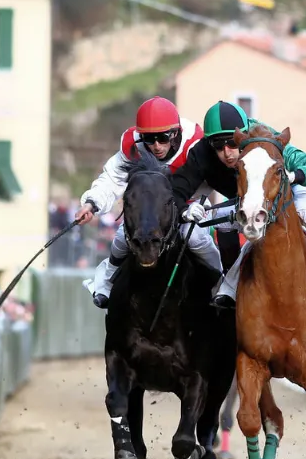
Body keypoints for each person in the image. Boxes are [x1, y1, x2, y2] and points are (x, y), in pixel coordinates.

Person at [169, 101, 306, 309]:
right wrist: (185, 209)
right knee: (220, 217)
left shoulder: (268, 141)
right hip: (246, 202)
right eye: (218, 146)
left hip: (284, 195)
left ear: (243, 136)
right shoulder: (201, 153)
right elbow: (176, 189)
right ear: (209, 143)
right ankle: (230, 284)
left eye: (232, 143)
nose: (227, 152)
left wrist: (295, 175)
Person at [74, 96, 216, 309]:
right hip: (153, 207)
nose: (156, 146)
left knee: (193, 237)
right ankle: (105, 280)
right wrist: (91, 204)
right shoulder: (133, 145)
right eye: (149, 139)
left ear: (175, 132)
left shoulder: (196, 143)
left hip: (192, 202)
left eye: (162, 137)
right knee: (125, 234)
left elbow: (216, 178)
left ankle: (221, 281)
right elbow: (112, 179)